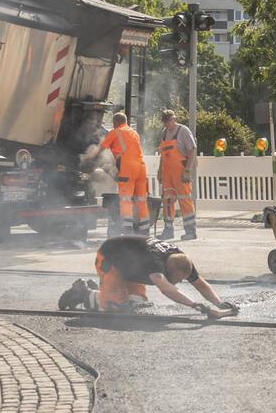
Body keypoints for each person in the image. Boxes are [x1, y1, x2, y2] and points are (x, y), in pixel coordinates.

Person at [59, 234, 236, 318]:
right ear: (170, 268)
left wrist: (219, 303)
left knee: (136, 306)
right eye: (178, 279)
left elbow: (199, 283)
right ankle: (83, 293)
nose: (180, 282)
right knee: (115, 308)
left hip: (128, 267)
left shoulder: (180, 259)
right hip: (109, 261)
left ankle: (102, 290)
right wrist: (196, 305)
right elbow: (167, 289)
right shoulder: (156, 262)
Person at [99, 112, 150, 234]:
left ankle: (128, 230)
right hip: (141, 168)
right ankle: (144, 232)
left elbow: (101, 148)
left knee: (125, 199)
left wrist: (91, 158)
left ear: (116, 122)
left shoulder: (115, 131)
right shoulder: (134, 133)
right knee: (141, 200)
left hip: (127, 169)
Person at [156, 109, 199, 241]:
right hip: (167, 172)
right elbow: (163, 155)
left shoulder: (183, 131)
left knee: (184, 199)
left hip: (180, 171)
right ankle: (168, 231)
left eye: (168, 121)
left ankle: (190, 231)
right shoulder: (164, 133)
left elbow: (192, 151)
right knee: (167, 201)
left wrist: (187, 170)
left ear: (174, 119)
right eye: (164, 121)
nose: (166, 124)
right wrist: (160, 170)